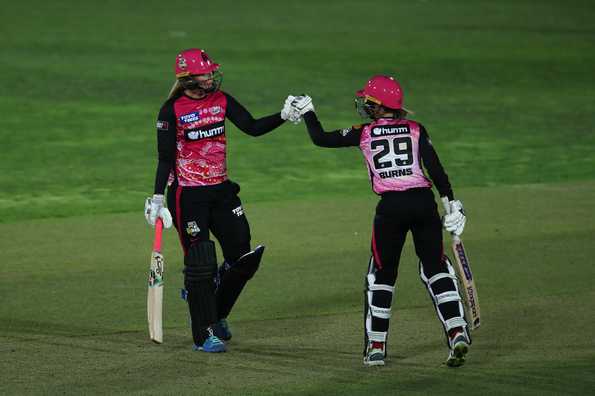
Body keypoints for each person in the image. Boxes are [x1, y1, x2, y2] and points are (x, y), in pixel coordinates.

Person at [288, 75, 471, 367]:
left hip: (391, 209)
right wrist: (452, 205)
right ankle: (457, 330)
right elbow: (436, 170)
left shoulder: (364, 132)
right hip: (424, 204)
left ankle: (376, 347)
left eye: (368, 101)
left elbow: (320, 139)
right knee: (436, 267)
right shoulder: (415, 129)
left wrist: (309, 112)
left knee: (382, 275)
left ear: (377, 106)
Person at [144, 48, 299, 353]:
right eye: (206, 73)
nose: (211, 76)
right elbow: (165, 159)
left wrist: (283, 116)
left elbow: (252, 127)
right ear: (189, 77)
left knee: (242, 255)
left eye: (212, 72)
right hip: (188, 196)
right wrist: (157, 198)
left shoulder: (221, 100)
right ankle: (204, 334)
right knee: (201, 264)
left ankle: (216, 311)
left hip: (222, 191)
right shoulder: (170, 110)